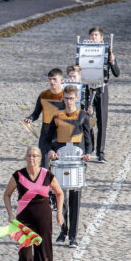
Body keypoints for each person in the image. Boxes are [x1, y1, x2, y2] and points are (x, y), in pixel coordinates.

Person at [2, 146, 65, 261]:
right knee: (25, 255)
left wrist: (59, 213)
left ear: (39, 158)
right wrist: (10, 213)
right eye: (29, 155)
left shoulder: (47, 175)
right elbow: (7, 195)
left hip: (43, 218)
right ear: (25, 157)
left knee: (43, 255)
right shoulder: (18, 175)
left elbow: (59, 193)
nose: (32, 158)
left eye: (35, 156)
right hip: (23, 219)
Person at [43, 85, 93, 248]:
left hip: (76, 162)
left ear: (76, 98)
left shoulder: (83, 116)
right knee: (60, 199)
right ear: (63, 98)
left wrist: (88, 153)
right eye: (66, 98)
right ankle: (63, 231)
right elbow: (46, 140)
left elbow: (88, 140)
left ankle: (73, 236)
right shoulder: (56, 116)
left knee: (75, 200)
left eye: (71, 98)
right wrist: (50, 151)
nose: (68, 101)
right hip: (60, 161)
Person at [87, 26, 119, 163]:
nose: (93, 38)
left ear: (101, 38)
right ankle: (89, 149)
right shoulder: (85, 50)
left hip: (102, 89)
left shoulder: (108, 52)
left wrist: (112, 62)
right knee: (86, 121)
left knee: (101, 121)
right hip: (87, 89)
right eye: (91, 35)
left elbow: (117, 73)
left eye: (96, 35)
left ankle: (100, 153)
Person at [23, 68, 65, 153]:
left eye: (54, 79)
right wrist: (30, 118)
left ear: (61, 80)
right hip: (46, 130)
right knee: (43, 160)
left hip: (60, 131)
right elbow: (36, 113)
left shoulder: (66, 96)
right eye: (50, 79)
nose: (52, 82)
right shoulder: (43, 95)